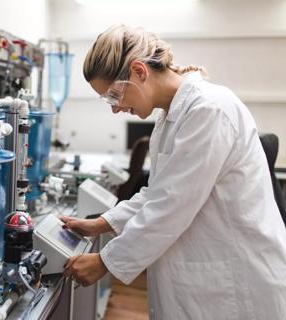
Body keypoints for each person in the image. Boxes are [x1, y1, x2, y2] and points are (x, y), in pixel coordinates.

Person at [62, 24, 286, 319]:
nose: (115, 109)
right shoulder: (171, 117)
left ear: (139, 71)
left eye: (114, 96)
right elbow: (160, 192)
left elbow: (172, 206)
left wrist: (106, 261)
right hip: (206, 278)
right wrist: (102, 223)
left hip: (236, 283)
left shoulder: (209, 110)